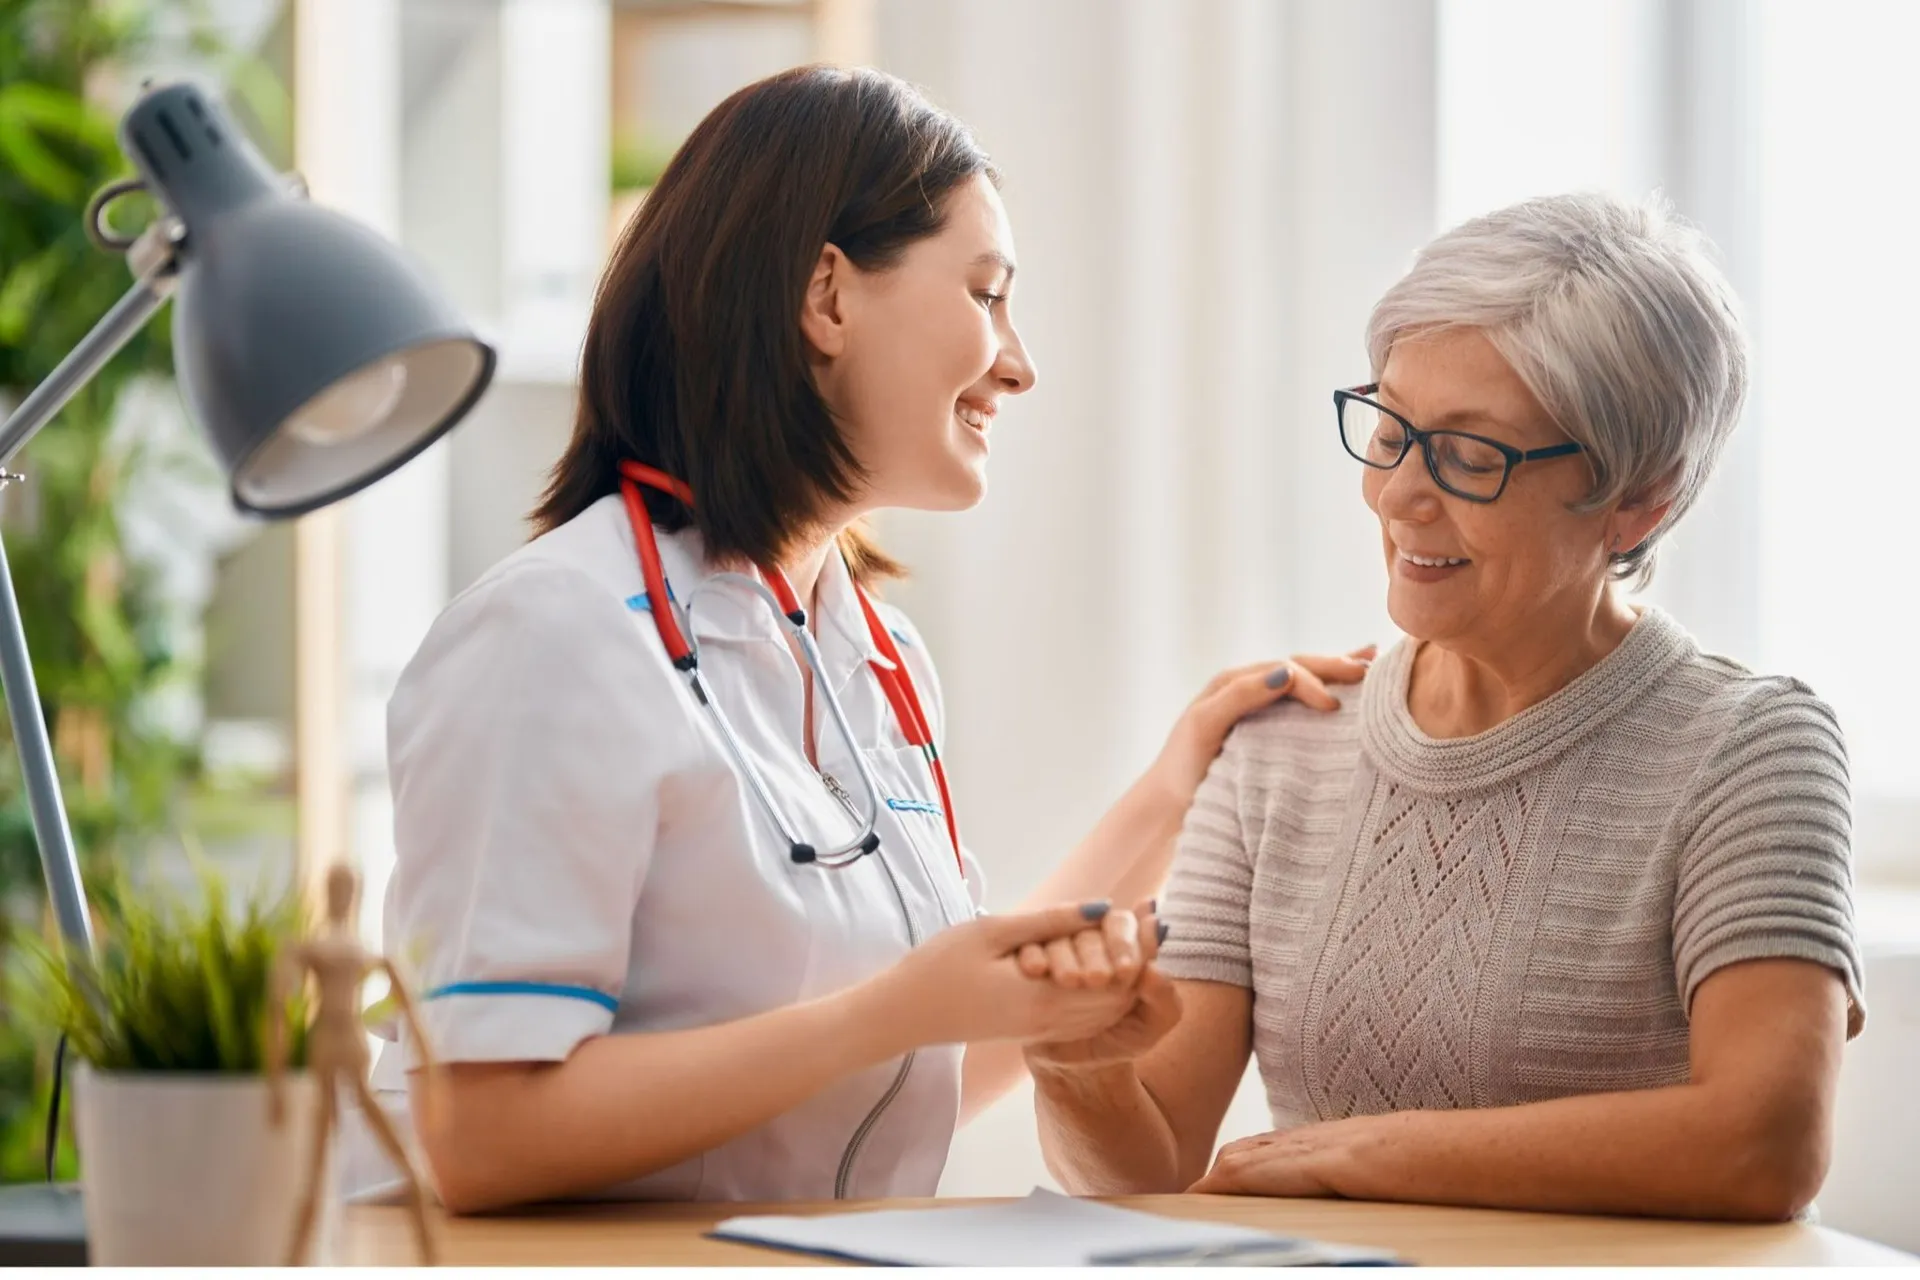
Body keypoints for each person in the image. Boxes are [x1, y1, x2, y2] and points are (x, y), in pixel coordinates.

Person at [346, 65, 1368, 1213]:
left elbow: (924, 1064)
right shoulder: (553, 635)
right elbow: (480, 1134)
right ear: (826, 295)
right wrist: (892, 1009)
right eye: (986, 294)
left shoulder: (872, 657)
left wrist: (1176, 786)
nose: (1019, 363)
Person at [1027, 192, 1866, 1223]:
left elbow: (1766, 1144)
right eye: (1390, 430)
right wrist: (1071, 1066)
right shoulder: (1281, 747)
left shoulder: (1751, 750)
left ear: (1639, 498)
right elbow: (1145, 1171)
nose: (1398, 497)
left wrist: (1368, 1152)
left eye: (1470, 457)